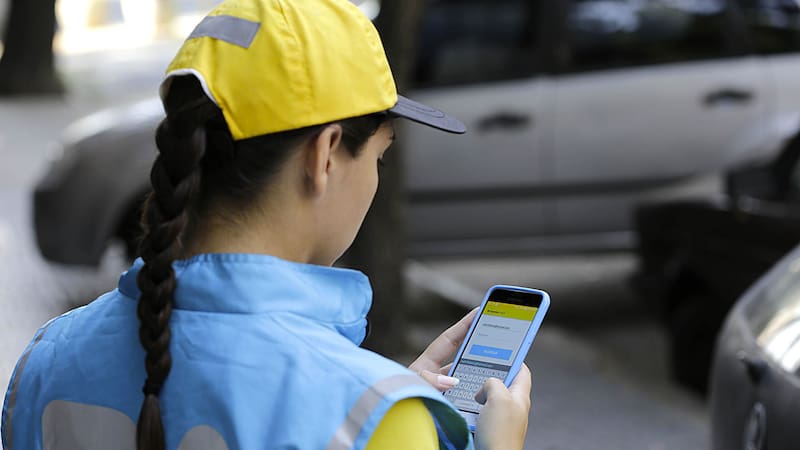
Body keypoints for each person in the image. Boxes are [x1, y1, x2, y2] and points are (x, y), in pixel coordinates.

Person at [1, 0, 532, 449]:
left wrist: (388, 393)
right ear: (324, 155)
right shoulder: (371, 417)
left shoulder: (44, 363)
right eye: (379, 159)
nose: (376, 179)